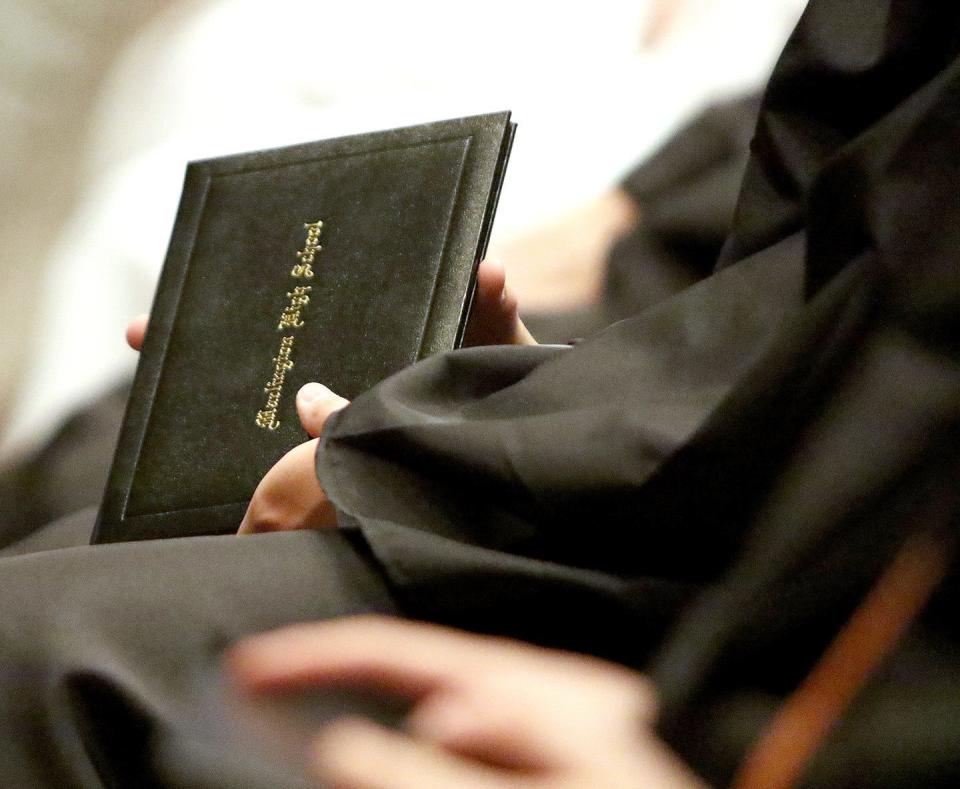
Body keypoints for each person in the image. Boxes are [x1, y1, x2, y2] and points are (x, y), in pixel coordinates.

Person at [0, 0, 958, 786]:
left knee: (48, 644)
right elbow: (794, 255)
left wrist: (442, 447)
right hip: (700, 417)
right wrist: (517, 395)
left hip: (781, 573)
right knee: (120, 444)